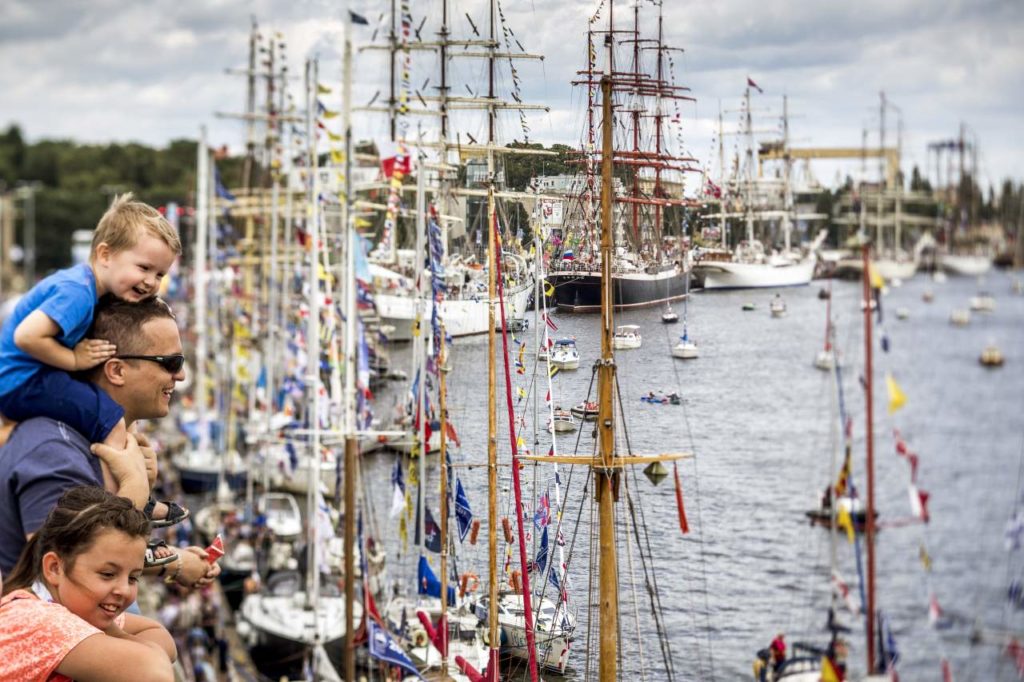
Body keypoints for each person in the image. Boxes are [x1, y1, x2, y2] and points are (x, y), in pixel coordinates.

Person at [0, 296, 218, 589]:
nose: (180, 375)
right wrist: (134, 492)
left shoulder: (77, 442)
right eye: (170, 362)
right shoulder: (54, 451)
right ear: (116, 370)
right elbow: (63, 569)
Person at [0, 193, 183, 526]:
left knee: (108, 416)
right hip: (21, 381)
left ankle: (132, 493)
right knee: (110, 418)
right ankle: (129, 502)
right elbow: (25, 336)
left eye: (159, 274)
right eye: (143, 268)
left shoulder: (85, 287)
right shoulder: (77, 292)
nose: (151, 282)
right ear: (104, 254)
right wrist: (73, 359)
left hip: (25, 378)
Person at [0, 486, 176, 681]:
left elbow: (159, 635)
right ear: (55, 568)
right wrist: (115, 635)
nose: (124, 590)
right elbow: (155, 672)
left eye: (133, 578)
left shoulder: (75, 609)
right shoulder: (37, 620)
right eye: (107, 574)